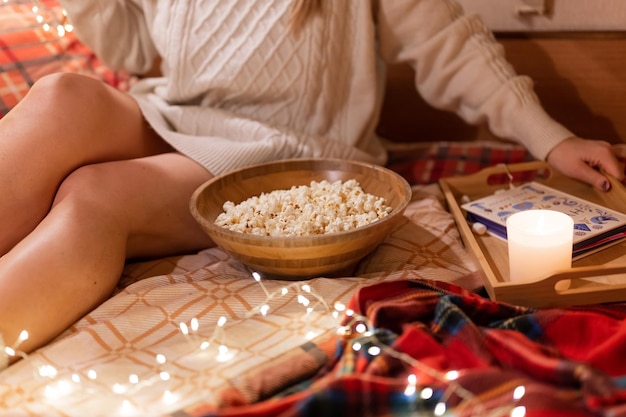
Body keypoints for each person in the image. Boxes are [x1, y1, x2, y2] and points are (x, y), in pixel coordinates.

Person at [0, 0, 623, 365]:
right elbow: (136, 50)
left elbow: (447, 42)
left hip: (285, 149)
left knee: (93, 197)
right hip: (175, 112)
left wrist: (551, 138)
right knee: (61, 97)